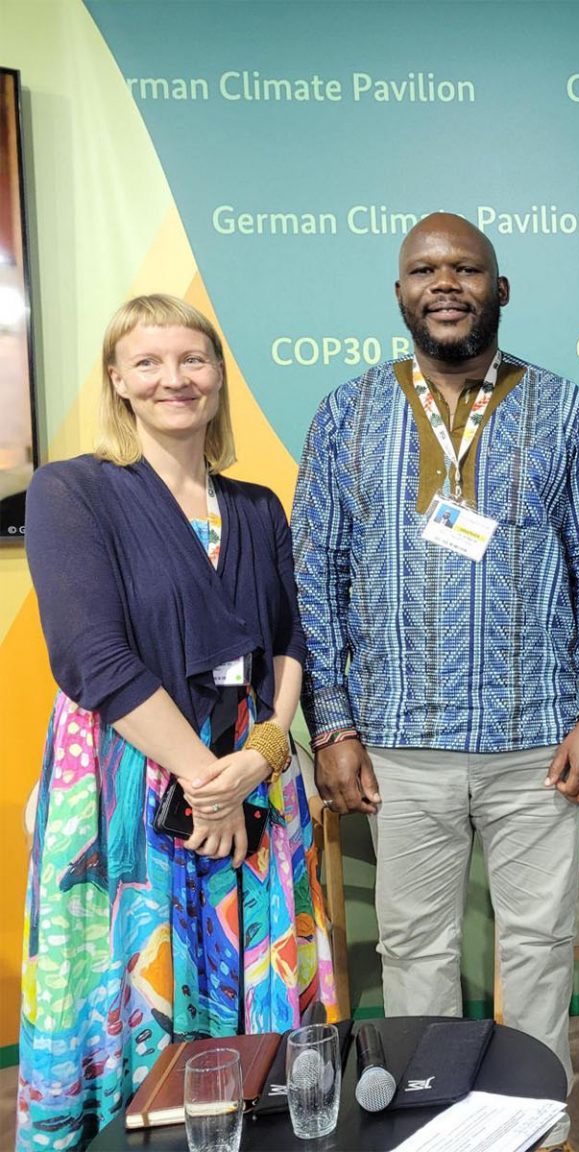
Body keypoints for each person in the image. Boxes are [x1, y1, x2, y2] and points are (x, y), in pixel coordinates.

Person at [290, 213, 579, 1149]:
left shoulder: (564, 409)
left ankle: (535, 1129)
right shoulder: (346, 412)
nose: (446, 283)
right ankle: (431, 1132)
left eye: (466, 268)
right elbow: (314, 574)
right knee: (416, 955)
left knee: (538, 954)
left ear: (500, 289)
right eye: (425, 270)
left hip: (537, 742)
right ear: (400, 293)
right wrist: (334, 725)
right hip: (400, 743)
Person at [18, 294, 336, 1149]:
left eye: (192, 360)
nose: (174, 379)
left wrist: (258, 757)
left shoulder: (260, 505)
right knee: (145, 1006)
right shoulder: (71, 491)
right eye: (148, 363)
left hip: (253, 776)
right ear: (117, 380)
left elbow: (291, 640)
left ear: (218, 377)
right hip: (136, 781)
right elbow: (94, 658)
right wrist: (208, 780)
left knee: (259, 1029)